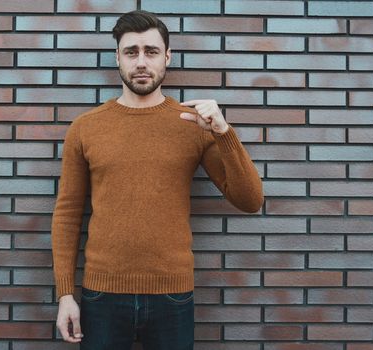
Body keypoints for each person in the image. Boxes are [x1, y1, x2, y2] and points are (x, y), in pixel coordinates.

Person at [51, 10, 264, 350]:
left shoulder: (193, 124)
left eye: (151, 51)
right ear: (117, 57)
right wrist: (65, 294)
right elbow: (67, 214)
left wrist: (224, 133)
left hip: (172, 296)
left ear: (167, 57)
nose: (141, 61)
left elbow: (250, 200)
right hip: (102, 296)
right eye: (131, 51)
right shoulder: (85, 127)